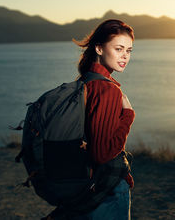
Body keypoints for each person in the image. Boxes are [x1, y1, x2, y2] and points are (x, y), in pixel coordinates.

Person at [72, 19, 135, 220]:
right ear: (99, 49)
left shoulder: (85, 81)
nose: (125, 55)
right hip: (107, 190)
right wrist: (128, 116)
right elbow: (102, 154)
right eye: (118, 48)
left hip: (85, 186)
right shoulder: (107, 89)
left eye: (129, 50)